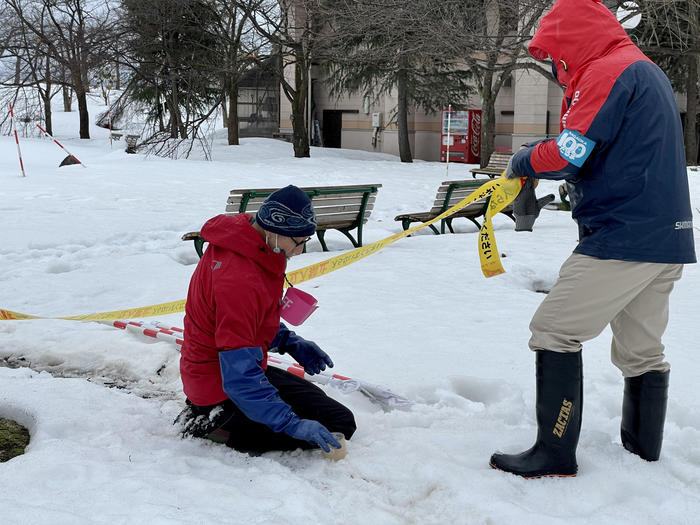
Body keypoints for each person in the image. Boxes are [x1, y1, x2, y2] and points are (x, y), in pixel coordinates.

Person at [490, 0, 696, 478]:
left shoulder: (608, 71)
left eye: (555, 53)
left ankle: (554, 452)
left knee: (554, 330)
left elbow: (569, 153)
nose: (555, 65)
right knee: (642, 351)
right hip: (667, 239)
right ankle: (642, 456)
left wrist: (523, 160)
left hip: (622, 236)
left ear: (572, 40)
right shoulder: (643, 69)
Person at [176, 185, 356, 454]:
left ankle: (237, 418)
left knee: (340, 420)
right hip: (218, 384)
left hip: (243, 365)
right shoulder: (239, 279)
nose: (300, 250)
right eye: (298, 241)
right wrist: (290, 423)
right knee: (321, 428)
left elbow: (252, 321)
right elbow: (239, 375)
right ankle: (210, 424)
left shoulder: (255, 242)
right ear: (273, 230)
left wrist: (290, 342)